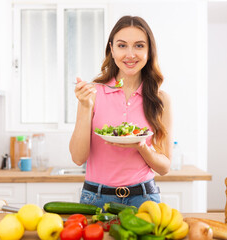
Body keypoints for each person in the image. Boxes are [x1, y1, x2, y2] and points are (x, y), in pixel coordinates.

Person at [69, 15, 173, 209]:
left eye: (139, 46)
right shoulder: (92, 93)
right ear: (112, 49)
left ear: (149, 51)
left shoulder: (161, 100)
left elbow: (164, 167)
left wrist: (142, 146)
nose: (130, 54)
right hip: (96, 197)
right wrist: (85, 107)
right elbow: (77, 158)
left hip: (143, 198)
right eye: (122, 45)